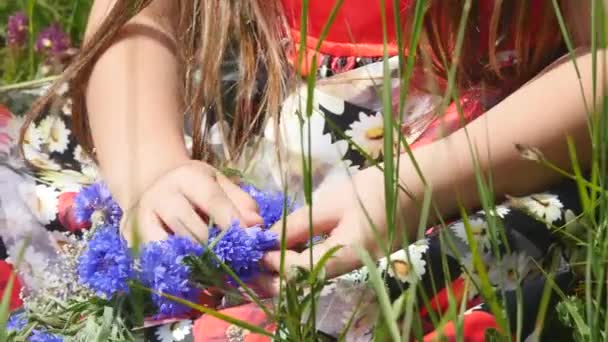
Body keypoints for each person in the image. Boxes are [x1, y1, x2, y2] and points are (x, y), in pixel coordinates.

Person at [22, 0, 602, 340]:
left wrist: (413, 189)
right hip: (241, 138)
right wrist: (151, 171)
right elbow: (133, 20)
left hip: (479, 161)